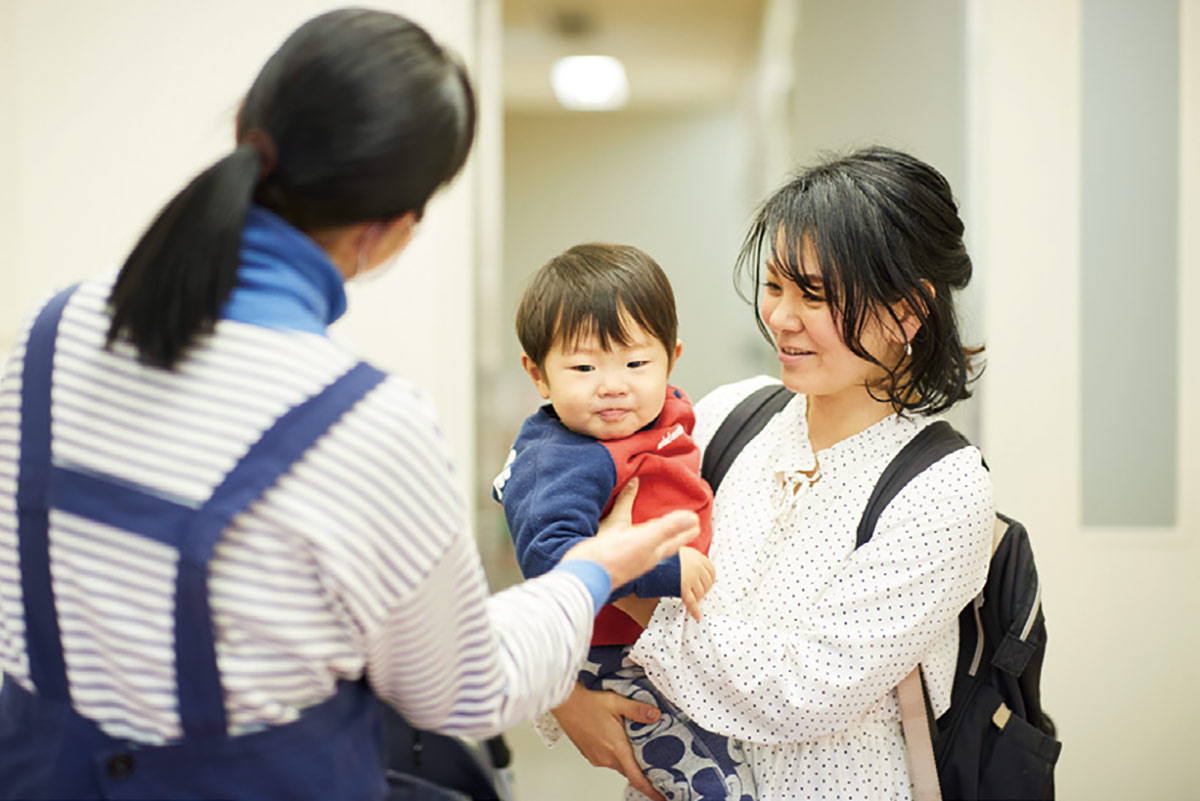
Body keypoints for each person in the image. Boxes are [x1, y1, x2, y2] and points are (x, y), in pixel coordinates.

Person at [0, 10, 697, 801]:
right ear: (395, 228)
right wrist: (592, 569)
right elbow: (464, 689)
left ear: (244, 128)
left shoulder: (49, 329)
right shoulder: (363, 421)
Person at [551, 147, 996, 800]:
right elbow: (571, 529)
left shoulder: (943, 489)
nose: (781, 317)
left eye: (813, 294)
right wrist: (564, 691)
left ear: (907, 310)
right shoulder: (732, 414)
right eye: (775, 284)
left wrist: (619, 577)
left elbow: (801, 691)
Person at [492, 243, 756, 801]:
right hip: (619, 657)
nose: (613, 384)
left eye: (636, 363)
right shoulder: (565, 456)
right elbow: (550, 556)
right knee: (716, 786)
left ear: (671, 359)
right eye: (584, 367)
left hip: (665, 641)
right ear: (538, 376)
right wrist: (663, 569)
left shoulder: (663, 411)